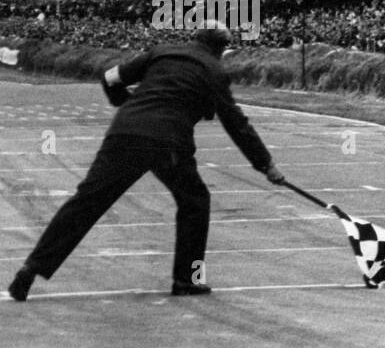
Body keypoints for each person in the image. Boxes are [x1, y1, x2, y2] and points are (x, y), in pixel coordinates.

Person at [7, 23, 285, 302]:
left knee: (86, 202)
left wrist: (126, 104)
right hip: (168, 142)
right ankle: (187, 279)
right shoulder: (215, 71)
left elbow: (110, 78)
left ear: (195, 38)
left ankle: (31, 268)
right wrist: (266, 165)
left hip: (124, 132)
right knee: (195, 202)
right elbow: (238, 125)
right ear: (221, 48)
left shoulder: (160, 53)